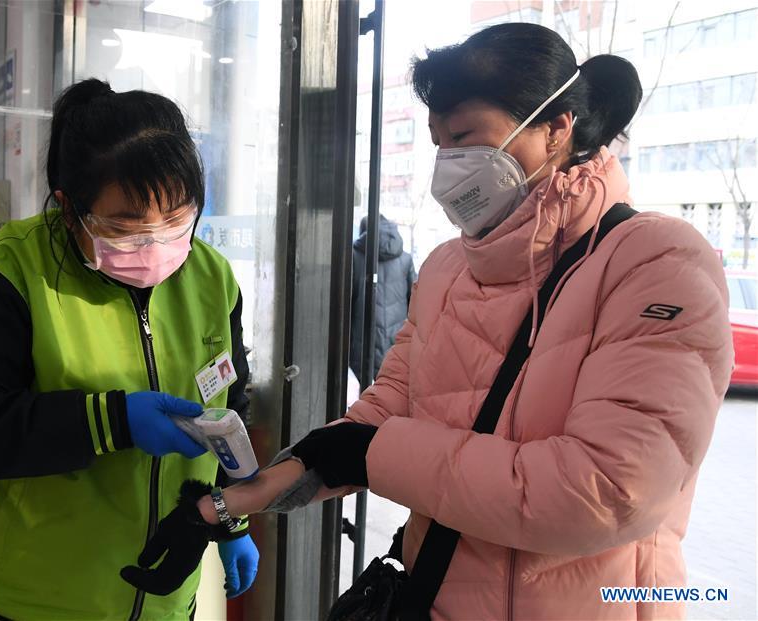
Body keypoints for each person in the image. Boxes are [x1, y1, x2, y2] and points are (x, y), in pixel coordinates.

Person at [133, 23, 734, 620]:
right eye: (440, 142)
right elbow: (390, 404)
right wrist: (227, 505)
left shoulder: (656, 262)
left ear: (556, 130)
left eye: (468, 137)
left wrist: (372, 454)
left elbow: (607, 489)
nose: (451, 163)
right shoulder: (450, 267)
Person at [0, 79, 258, 621]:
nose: (155, 244)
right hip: (37, 599)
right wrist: (111, 420)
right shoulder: (0, 278)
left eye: (176, 219)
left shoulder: (212, 276)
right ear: (68, 207)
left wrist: (231, 516)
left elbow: (229, 408)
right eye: (125, 228)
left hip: (168, 596)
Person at [350, 214, 416, 380]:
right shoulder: (405, 259)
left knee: (365, 389)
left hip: (362, 338)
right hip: (397, 336)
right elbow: (414, 300)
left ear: (365, 232)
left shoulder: (355, 256)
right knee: (390, 386)